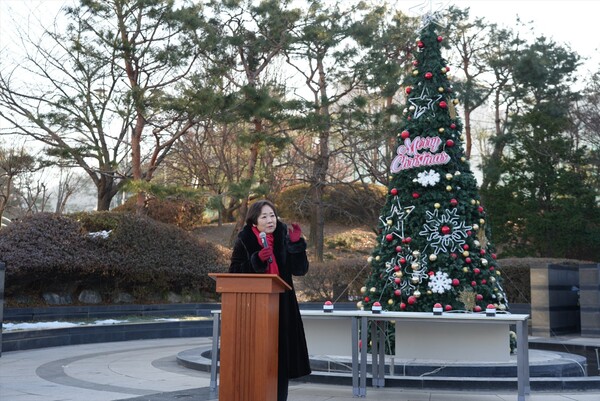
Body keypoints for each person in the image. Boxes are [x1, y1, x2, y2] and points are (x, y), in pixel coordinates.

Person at [229, 199, 311, 401]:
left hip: (283, 307)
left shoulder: (283, 235)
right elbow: (234, 272)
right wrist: (256, 260)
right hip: (253, 310)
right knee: (257, 358)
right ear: (254, 222)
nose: (270, 220)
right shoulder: (245, 239)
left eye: (272, 215)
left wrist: (296, 246)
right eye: (264, 216)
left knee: (280, 358)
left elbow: (300, 270)